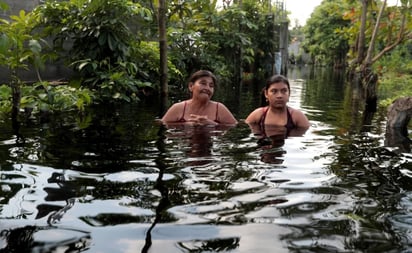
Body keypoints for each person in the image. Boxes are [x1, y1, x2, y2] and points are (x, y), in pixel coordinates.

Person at [161, 70, 238, 126]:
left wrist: (212, 124)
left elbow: (235, 126)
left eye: (211, 86)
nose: (207, 88)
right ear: (191, 86)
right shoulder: (178, 108)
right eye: (203, 83)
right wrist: (185, 125)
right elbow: (162, 124)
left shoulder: (219, 108)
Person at [245, 74, 310, 136]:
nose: (279, 96)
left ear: (289, 93)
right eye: (274, 91)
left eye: (284, 91)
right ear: (266, 94)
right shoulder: (258, 114)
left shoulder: (297, 117)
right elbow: (242, 127)